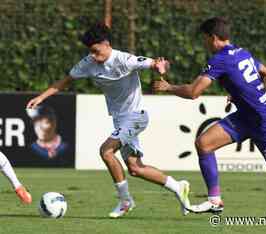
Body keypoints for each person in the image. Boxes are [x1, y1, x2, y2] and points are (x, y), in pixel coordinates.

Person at [153, 17, 266, 220]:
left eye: (204, 39)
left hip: (265, 121)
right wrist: (245, 93)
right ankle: (214, 200)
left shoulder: (219, 59)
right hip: (245, 118)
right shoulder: (242, 53)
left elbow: (194, 92)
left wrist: (168, 87)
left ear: (213, 38)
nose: (204, 44)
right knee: (204, 144)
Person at [26, 23, 190, 218]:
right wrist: (41, 97)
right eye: (91, 52)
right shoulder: (88, 63)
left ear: (106, 44)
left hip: (136, 117)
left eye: (96, 51)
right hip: (120, 121)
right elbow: (65, 81)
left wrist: (162, 66)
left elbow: (157, 63)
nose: (94, 56)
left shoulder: (125, 60)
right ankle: (178, 187)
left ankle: (125, 201)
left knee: (106, 151)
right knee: (136, 168)